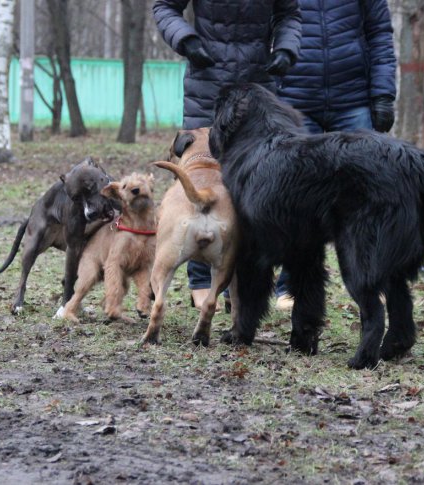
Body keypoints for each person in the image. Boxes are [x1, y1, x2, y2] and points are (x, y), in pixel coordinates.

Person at [153, 0, 303, 308]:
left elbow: (289, 14)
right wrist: (186, 40)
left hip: (257, 86)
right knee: (200, 181)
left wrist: (286, 50)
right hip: (206, 83)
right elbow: (164, 7)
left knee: (253, 188)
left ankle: (246, 283)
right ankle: (201, 280)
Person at [273, 0, 397, 310]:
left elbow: (379, 34)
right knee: (298, 200)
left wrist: (382, 94)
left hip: (353, 100)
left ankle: (371, 280)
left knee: (367, 199)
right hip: (295, 101)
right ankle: (292, 284)